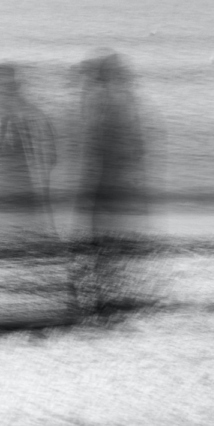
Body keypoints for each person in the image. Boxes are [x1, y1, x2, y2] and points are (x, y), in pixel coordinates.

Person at [0, 62, 68, 330]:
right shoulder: (6, 115)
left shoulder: (16, 115)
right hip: (9, 194)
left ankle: (24, 312)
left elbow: (44, 158)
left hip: (16, 195)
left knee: (18, 252)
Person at [71, 50, 152, 323]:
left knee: (100, 241)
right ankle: (111, 298)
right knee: (109, 242)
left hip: (108, 182)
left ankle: (104, 300)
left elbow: (101, 146)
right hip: (117, 183)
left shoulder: (107, 101)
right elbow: (136, 147)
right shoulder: (123, 100)